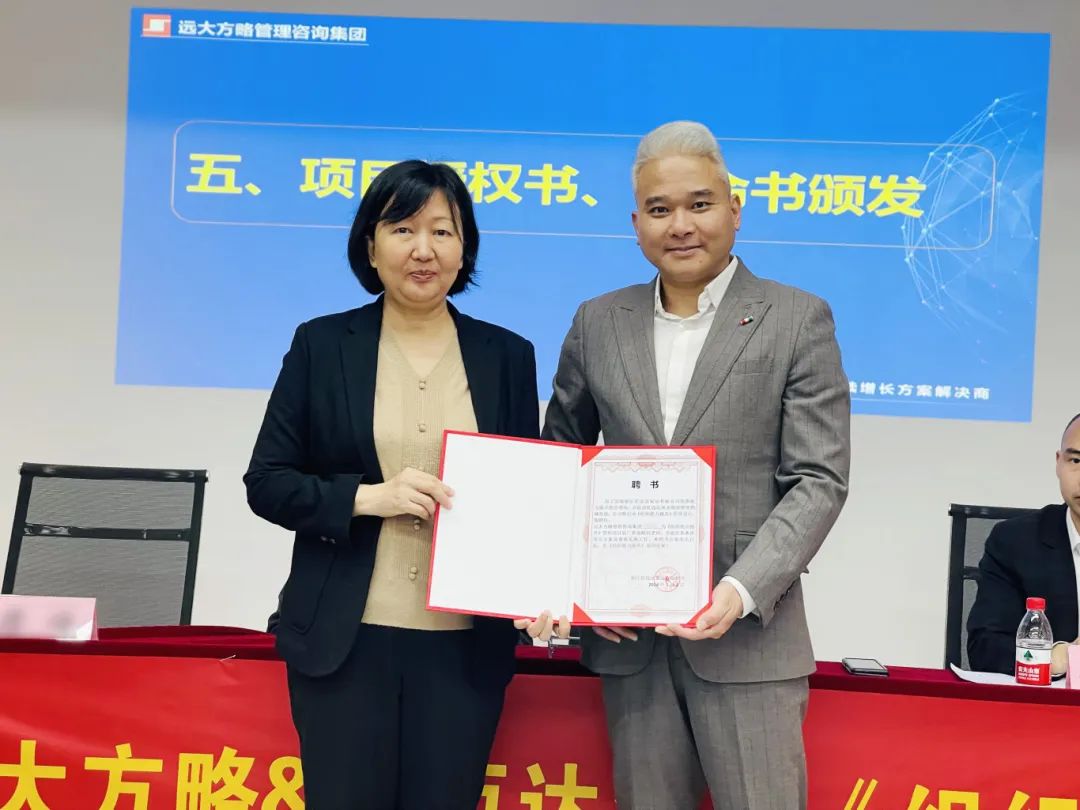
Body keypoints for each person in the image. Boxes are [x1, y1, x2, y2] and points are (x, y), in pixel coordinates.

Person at [541, 120, 851, 809]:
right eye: (659, 209)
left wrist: (740, 591)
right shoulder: (597, 322)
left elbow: (818, 480)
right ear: (636, 224)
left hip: (749, 642)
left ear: (735, 210)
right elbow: (561, 463)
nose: (680, 225)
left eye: (700, 204)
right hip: (630, 646)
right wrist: (580, 585)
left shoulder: (797, 319)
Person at [244, 159, 545, 809]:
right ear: (370, 245)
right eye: (403, 229)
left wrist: (540, 589)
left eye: (442, 231)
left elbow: (526, 497)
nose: (423, 249)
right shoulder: (323, 345)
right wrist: (365, 498)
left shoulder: (507, 356)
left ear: (464, 248)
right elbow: (267, 481)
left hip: (465, 647)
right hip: (345, 640)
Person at [967, 412, 1080, 677]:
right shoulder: (1014, 542)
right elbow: (985, 647)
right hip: (1051, 699)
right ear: (1058, 463)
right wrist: (1054, 659)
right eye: (1076, 460)